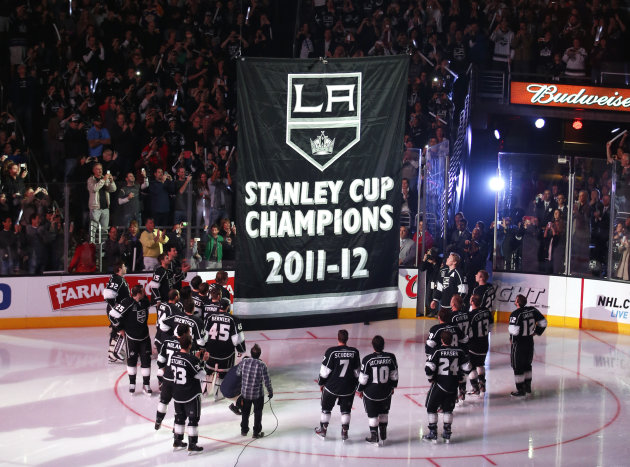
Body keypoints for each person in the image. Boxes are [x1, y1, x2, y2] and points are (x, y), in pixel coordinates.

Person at [423, 331, 472, 443]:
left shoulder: (437, 351)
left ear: (441, 340)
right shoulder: (459, 351)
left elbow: (429, 369)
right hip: (453, 386)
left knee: (431, 407)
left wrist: (430, 378)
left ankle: (433, 433)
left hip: (440, 384)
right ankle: (447, 433)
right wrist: (460, 376)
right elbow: (468, 367)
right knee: (448, 410)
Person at [315, 329, 361, 442]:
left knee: (326, 409)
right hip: (348, 388)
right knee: (346, 411)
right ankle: (344, 433)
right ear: (347, 339)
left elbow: (325, 371)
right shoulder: (354, 352)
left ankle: (323, 430)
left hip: (332, 387)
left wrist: (321, 383)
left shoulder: (331, 352)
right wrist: (357, 387)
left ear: (338, 338)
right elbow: (357, 372)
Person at [109, 285, 152, 394]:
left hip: (145, 337)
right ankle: (132, 383)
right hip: (131, 338)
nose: (145, 293)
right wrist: (120, 328)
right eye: (142, 292)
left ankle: (146, 384)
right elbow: (112, 315)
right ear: (138, 294)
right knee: (131, 361)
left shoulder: (145, 301)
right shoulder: (127, 303)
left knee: (146, 361)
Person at [357, 335, 399, 446]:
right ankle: (383, 434)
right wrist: (392, 387)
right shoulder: (391, 357)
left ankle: (374, 436)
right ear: (383, 345)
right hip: (385, 392)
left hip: (371, 393)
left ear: (373, 346)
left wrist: (359, 390)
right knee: (384, 412)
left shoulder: (367, 359)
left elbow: (363, 379)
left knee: (372, 414)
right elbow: (394, 375)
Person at [171, 333, 209, 453]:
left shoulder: (173, 356)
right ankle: (192, 444)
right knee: (193, 419)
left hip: (177, 393)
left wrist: (196, 360)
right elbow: (201, 375)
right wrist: (202, 361)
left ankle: (177, 440)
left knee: (179, 417)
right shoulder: (191, 359)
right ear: (190, 345)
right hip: (191, 394)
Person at [203, 296, 246, 401]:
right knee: (222, 374)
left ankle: (205, 392)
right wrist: (241, 350)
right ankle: (218, 394)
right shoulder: (234, 319)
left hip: (211, 352)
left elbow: (204, 335)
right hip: (226, 353)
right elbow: (237, 339)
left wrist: (203, 348)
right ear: (228, 307)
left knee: (209, 371)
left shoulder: (209, 317)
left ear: (219, 306)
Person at [508, 294, 547, 397]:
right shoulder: (532, 310)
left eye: (515, 300)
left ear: (517, 302)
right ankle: (528, 386)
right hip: (529, 342)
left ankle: (520, 389)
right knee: (527, 365)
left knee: (517, 367)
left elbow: (514, 332)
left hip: (519, 344)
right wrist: (537, 332)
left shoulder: (515, 314)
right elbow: (543, 322)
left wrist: (512, 341)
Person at [155, 323, 189, 430]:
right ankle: (177, 428)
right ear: (184, 333)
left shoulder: (167, 341)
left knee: (163, 401)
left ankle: (158, 421)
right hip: (180, 380)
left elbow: (160, 360)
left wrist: (164, 371)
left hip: (167, 378)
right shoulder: (186, 344)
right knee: (179, 405)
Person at [103, 260, 130, 363]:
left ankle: (112, 354)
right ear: (119, 269)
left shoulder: (118, 279)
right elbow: (108, 295)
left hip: (118, 310)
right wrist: (115, 307)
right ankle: (114, 353)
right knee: (120, 330)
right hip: (116, 311)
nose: (125, 268)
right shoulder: (117, 278)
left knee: (116, 330)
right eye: (124, 266)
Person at [467, 294, 494, 395]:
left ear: (472, 302)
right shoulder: (487, 311)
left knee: (472, 367)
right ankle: (482, 384)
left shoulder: (470, 315)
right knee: (480, 364)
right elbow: (490, 327)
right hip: (485, 344)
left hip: (473, 346)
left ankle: (475, 388)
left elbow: (469, 333)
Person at [449, 295, 471, 402]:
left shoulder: (452, 316)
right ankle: (462, 392)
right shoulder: (467, 315)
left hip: (455, 347)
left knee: (453, 371)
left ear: (453, 304)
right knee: (462, 371)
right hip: (465, 347)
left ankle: (453, 396)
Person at [87, 163, 116, 243]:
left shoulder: (104, 178)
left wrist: (111, 181)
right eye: (98, 169)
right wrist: (103, 180)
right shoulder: (91, 179)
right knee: (93, 230)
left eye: (101, 169)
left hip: (105, 208)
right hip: (95, 208)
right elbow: (94, 189)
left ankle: (103, 248)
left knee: (104, 230)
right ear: (93, 170)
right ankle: (91, 247)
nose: (100, 170)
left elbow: (113, 189)